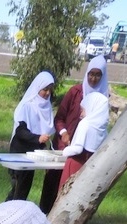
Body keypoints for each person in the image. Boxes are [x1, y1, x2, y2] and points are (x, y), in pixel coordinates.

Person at [39, 56, 108, 213]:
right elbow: (60, 117)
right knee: (52, 183)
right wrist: (64, 133)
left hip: (84, 153)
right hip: (65, 147)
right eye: (91, 73)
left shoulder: (103, 98)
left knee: (72, 190)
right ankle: (44, 213)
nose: (93, 78)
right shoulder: (76, 92)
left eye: (98, 75)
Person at [6, 71, 55, 202]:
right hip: (19, 152)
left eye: (50, 90)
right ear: (38, 87)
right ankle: (6, 217)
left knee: (23, 191)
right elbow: (20, 132)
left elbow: (45, 133)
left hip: (32, 154)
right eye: (45, 89)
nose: (48, 93)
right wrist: (37, 138)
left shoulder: (47, 106)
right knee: (17, 191)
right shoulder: (27, 105)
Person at [57, 92, 109, 191]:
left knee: (66, 192)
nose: (81, 114)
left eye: (83, 110)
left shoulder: (85, 124)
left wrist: (65, 151)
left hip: (76, 163)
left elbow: (77, 148)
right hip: (91, 165)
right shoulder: (103, 128)